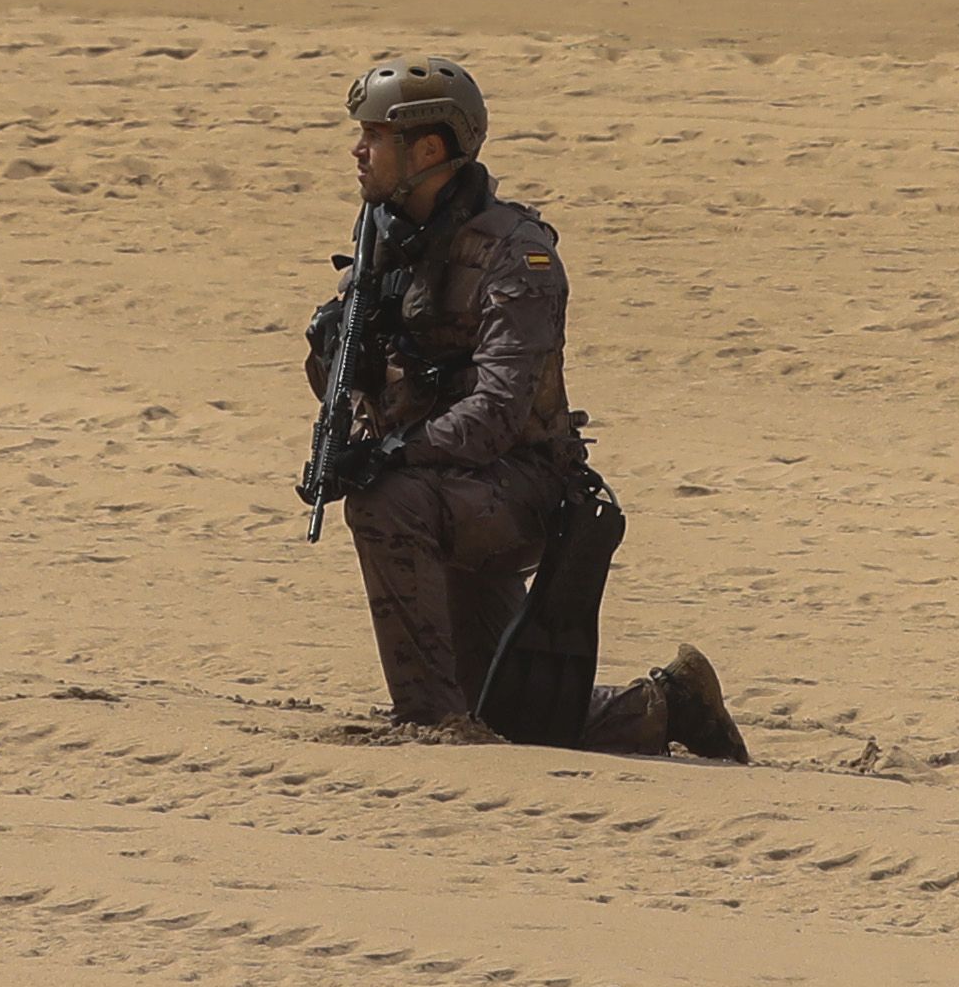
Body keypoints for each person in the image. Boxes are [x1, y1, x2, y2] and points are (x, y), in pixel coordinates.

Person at [302, 55, 743, 759]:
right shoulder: (387, 245)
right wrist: (334, 358)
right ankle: (668, 705)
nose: (358, 150)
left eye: (375, 135)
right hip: (446, 485)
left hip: (518, 490)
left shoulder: (517, 255)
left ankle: (430, 722)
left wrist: (391, 456)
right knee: (512, 712)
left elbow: (499, 413)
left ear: (429, 148)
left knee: (385, 504)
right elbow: (366, 387)